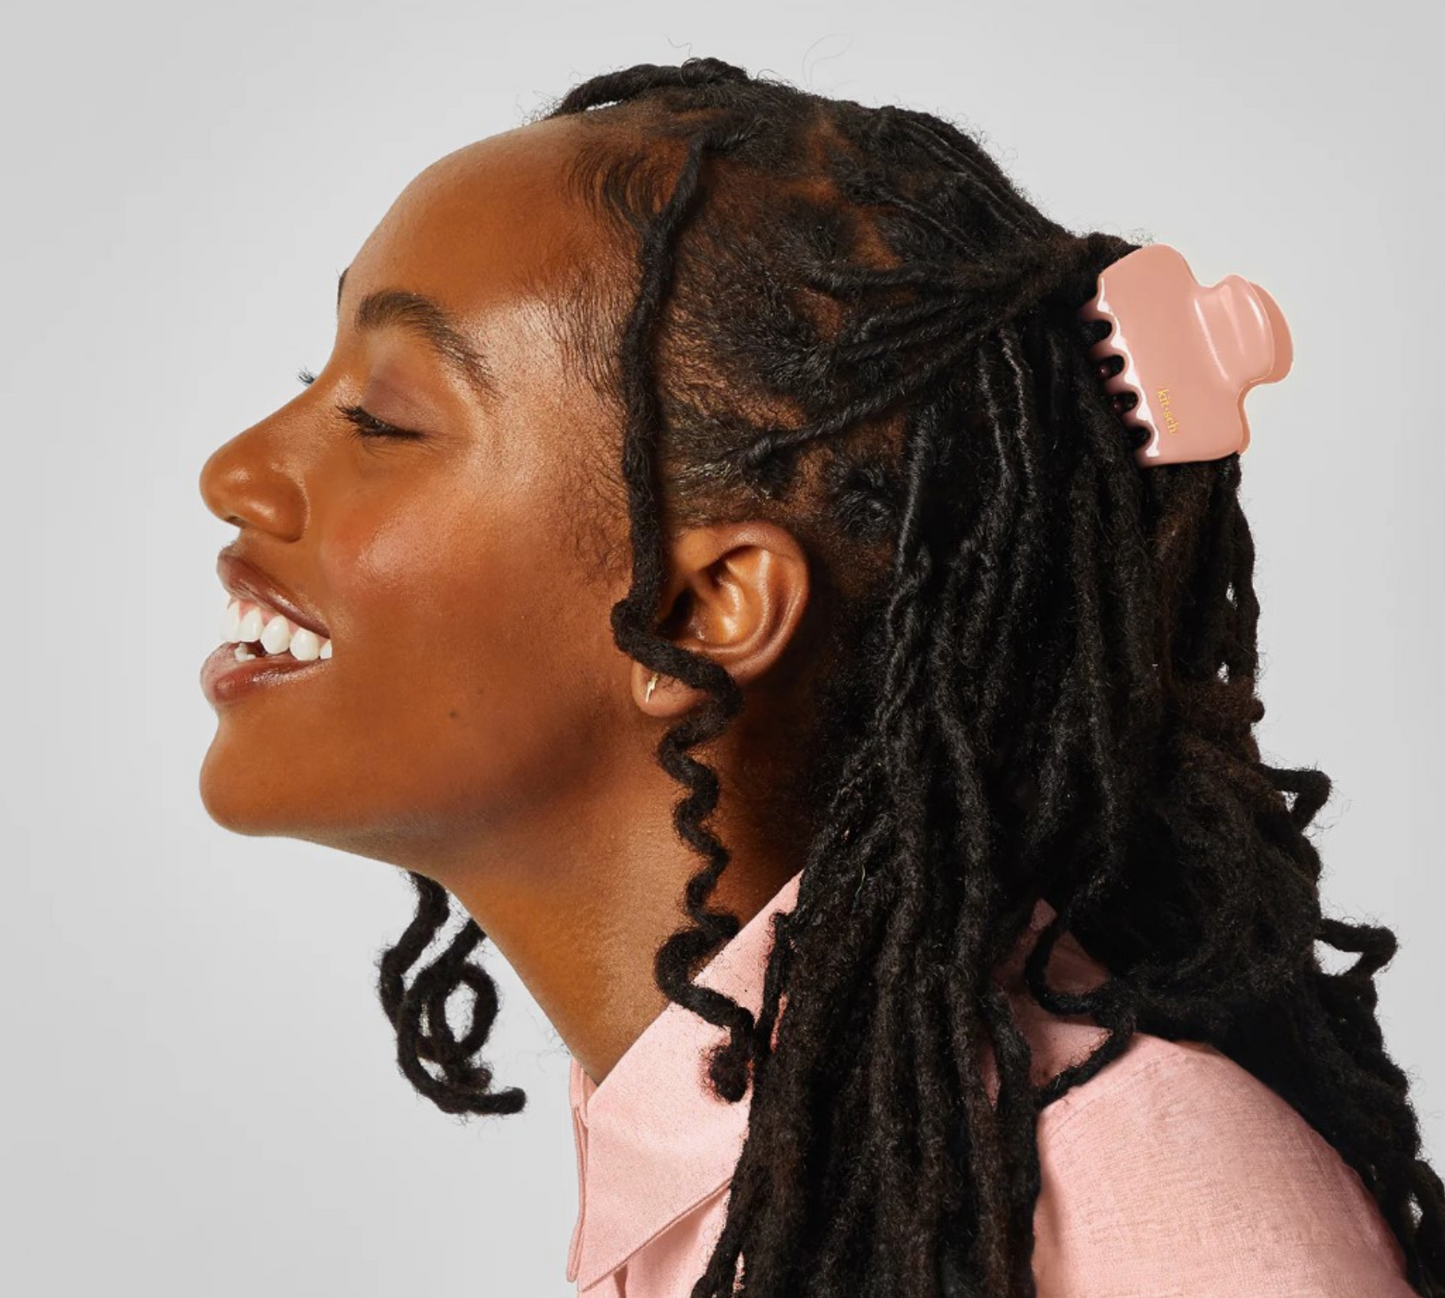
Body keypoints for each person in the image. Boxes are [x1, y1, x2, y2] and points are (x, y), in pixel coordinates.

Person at [196, 57, 1444, 1298]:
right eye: (314, 385)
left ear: (692, 611)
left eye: (383, 419)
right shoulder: (784, 1165)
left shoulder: (1137, 1202)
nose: (234, 471)